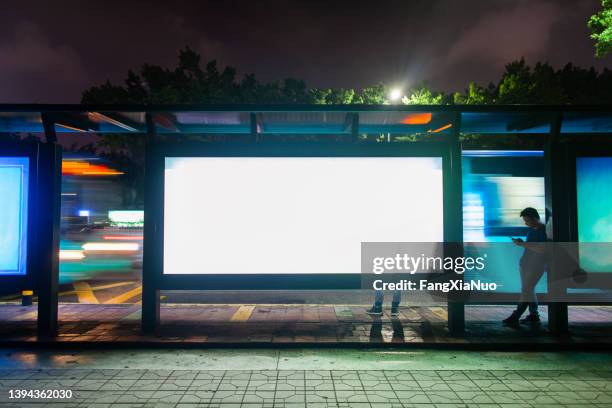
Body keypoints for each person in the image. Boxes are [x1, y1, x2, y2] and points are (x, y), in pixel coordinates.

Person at [503, 207, 548, 325]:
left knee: (526, 290)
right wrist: (522, 243)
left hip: (536, 265)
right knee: (529, 289)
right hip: (526, 264)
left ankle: (516, 315)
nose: (525, 223)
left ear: (534, 218)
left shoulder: (543, 231)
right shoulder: (532, 230)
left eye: (527, 220)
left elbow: (542, 249)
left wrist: (523, 244)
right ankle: (534, 314)